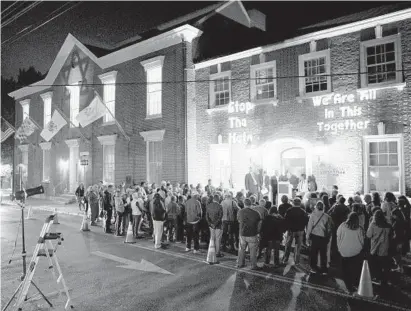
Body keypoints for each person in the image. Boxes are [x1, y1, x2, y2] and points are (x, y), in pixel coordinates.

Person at [337, 212, 364, 293]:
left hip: (344, 250)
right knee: (354, 268)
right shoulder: (359, 228)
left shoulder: (342, 225)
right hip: (355, 251)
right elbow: (362, 241)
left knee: (345, 269)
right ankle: (354, 283)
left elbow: (338, 235)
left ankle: (348, 285)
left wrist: (339, 246)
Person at [367, 210, 392, 286]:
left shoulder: (373, 225)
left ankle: (377, 277)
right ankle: (384, 280)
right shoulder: (388, 225)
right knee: (384, 264)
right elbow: (391, 236)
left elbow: (368, 235)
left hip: (375, 247)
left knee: (375, 263)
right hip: (385, 247)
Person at [306, 201, 332, 274]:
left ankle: (313, 268)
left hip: (315, 237)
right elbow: (329, 228)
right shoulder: (327, 216)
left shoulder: (313, 215)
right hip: (323, 237)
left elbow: (309, 227)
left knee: (313, 253)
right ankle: (324, 269)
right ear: (323, 207)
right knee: (323, 253)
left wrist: (307, 237)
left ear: (316, 207)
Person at [282, 198, 308, 265]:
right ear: (300, 203)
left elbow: (286, 221)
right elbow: (306, 221)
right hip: (300, 231)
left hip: (291, 230)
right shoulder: (303, 211)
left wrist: (285, 229)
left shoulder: (289, 210)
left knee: (288, 245)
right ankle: (296, 261)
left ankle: (285, 259)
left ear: (293, 203)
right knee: (298, 246)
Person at [237, 198, 262, 270]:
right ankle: (253, 265)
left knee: (242, 249)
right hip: (252, 234)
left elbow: (238, 221)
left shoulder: (240, 212)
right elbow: (260, 224)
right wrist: (258, 232)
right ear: (251, 204)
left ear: (244, 204)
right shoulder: (256, 213)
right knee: (253, 251)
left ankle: (240, 264)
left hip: (242, 233)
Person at [328, 196, 350, 265]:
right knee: (342, 239)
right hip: (343, 225)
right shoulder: (346, 208)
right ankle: (340, 254)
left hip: (335, 225)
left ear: (339, 201)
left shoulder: (336, 207)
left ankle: (334, 256)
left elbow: (330, 214)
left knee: (334, 240)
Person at [206, 194, 224, 262]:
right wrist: (215, 224)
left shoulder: (208, 206)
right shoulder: (220, 206)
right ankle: (217, 253)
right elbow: (220, 217)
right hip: (218, 225)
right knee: (218, 239)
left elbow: (207, 217)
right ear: (218, 199)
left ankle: (211, 252)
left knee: (212, 238)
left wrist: (211, 224)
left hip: (211, 225)